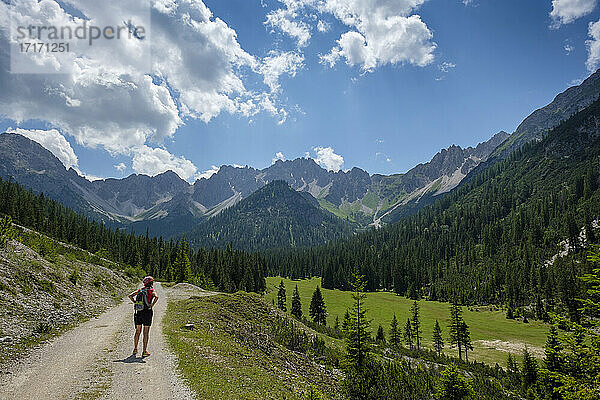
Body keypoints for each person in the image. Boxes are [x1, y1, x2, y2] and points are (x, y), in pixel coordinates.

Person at [128, 276, 159, 357]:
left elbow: (130, 295)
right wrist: (152, 305)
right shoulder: (151, 290)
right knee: (146, 332)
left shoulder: (141, 290)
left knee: (138, 331)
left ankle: (135, 349)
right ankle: (144, 351)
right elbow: (156, 297)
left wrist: (135, 302)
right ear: (151, 283)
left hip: (139, 312)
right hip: (147, 312)